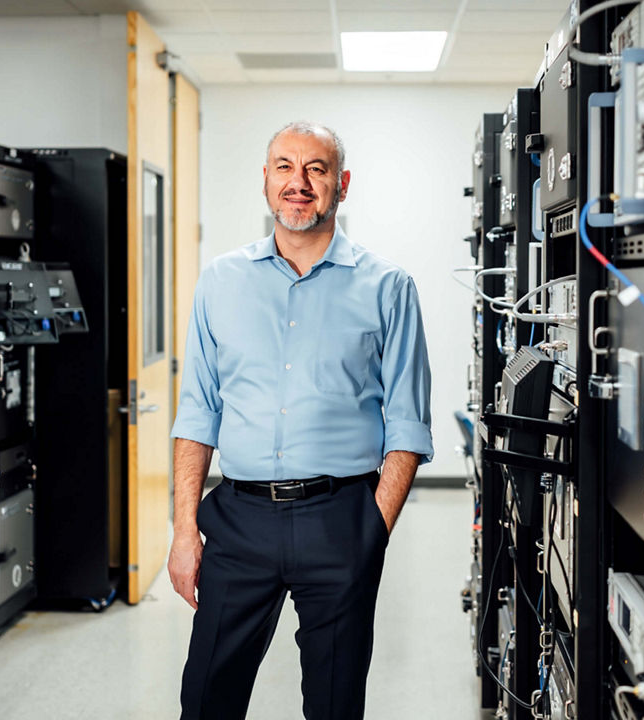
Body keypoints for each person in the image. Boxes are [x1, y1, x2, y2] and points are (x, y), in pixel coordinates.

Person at [168, 120, 433, 720]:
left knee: (336, 705)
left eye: (315, 169)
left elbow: (409, 423)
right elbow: (198, 412)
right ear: (265, 180)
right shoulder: (220, 282)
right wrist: (185, 532)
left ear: (341, 184)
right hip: (239, 522)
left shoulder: (388, 287)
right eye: (284, 167)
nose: (299, 182)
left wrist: (373, 530)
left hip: (340, 517)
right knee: (207, 697)